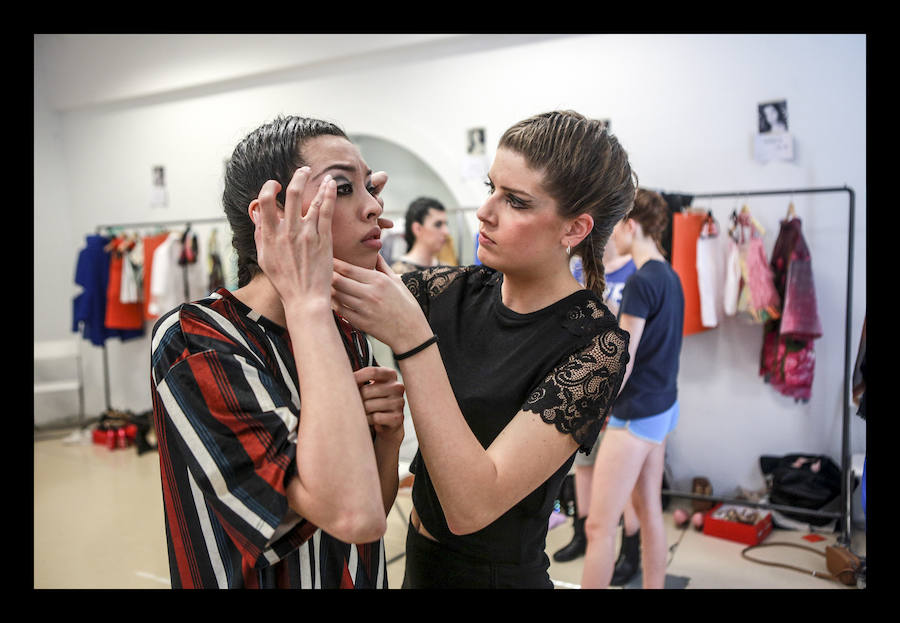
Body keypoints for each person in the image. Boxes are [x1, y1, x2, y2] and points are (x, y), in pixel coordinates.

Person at [331, 110, 635, 588]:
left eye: (515, 202)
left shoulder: (595, 347)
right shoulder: (450, 291)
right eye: (491, 188)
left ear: (574, 230)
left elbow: (472, 505)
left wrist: (414, 343)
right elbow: (333, 279)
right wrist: (353, 204)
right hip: (417, 567)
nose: (485, 212)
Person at [150, 115, 405, 588]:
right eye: (343, 188)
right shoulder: (196, 337)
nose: (375, 207)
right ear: (271, 213)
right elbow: (351, 514)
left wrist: (388, 439)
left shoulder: (344, 331)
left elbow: (372, 512)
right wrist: (306, 300)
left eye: (370, 186)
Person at [581, 188, 685, 589]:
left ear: (631, 225)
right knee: (648, 507)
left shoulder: (642, 282)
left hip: (637, 414)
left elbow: (623, 357)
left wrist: (594, 408)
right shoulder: (669, 274)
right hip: (662, 407)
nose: (610, 236)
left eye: (615, 226)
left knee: (598, 527)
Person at [552, 242, 637, 577]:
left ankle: (630, 548)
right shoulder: (575, 267)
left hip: (623, 390)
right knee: (582, 467)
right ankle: (580, 534)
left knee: (624, 480)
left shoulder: (635, 273)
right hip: (583, 386)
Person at [391, 196, 450, 274]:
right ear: (417, 229)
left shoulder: (446, 270)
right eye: (438, 225)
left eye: (446, 224)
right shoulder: (397, 273)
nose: (446, 232)